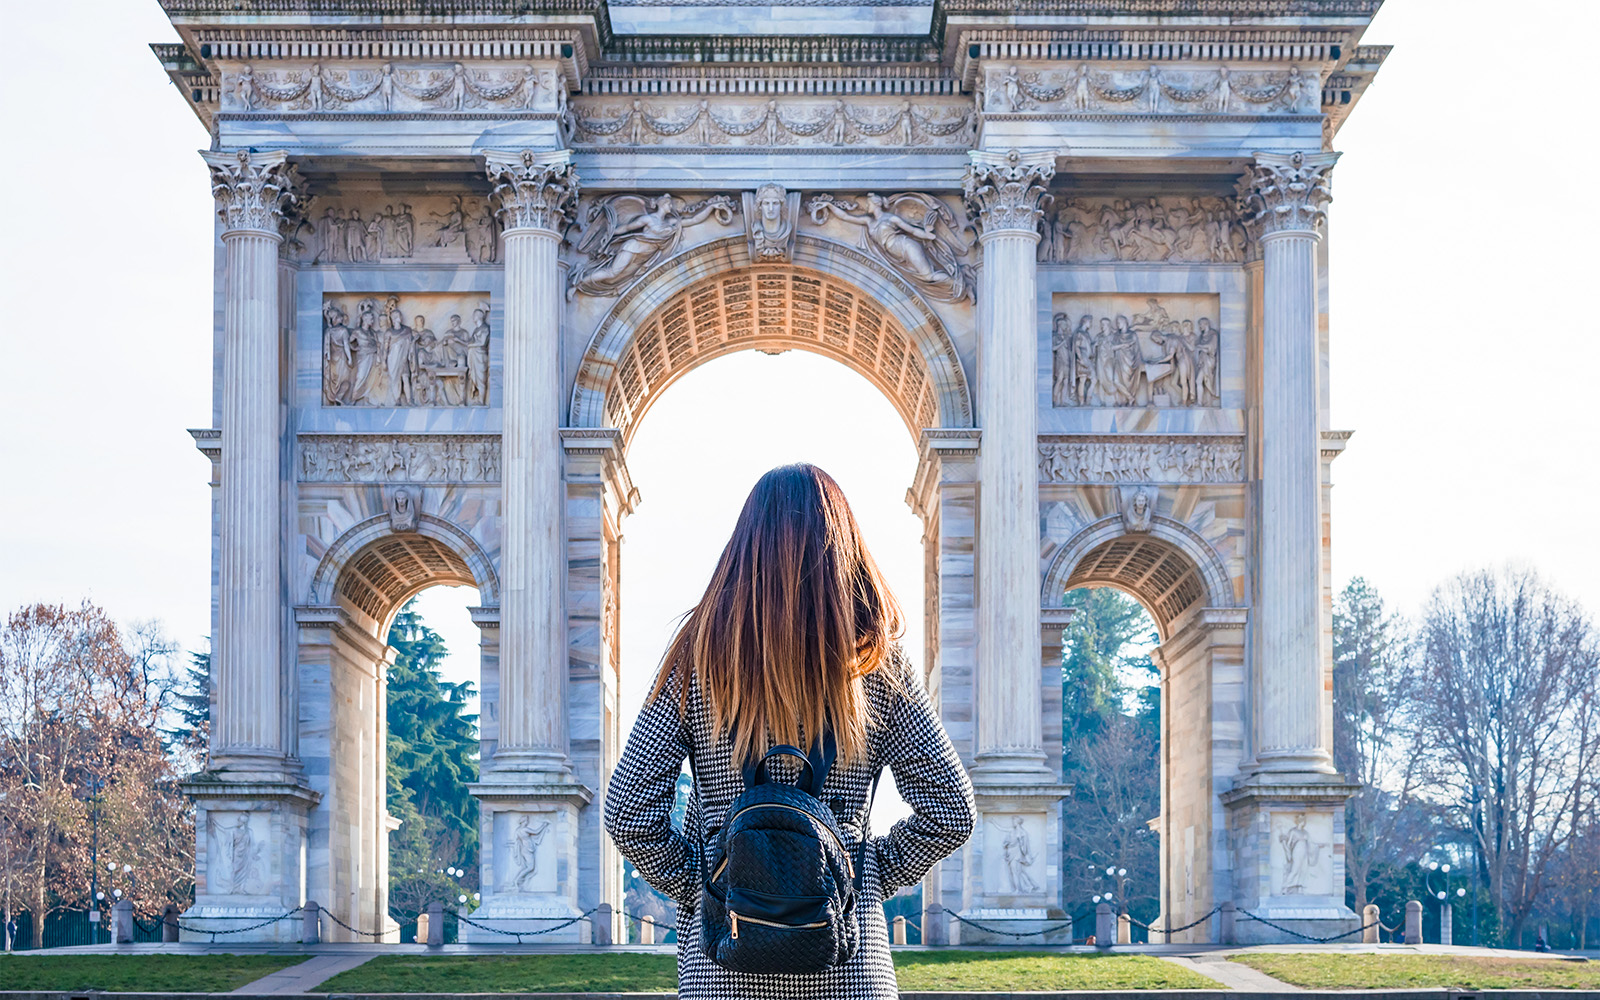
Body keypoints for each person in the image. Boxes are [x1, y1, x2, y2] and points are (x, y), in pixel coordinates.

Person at [605, 464, 974, 999]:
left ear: (743, 546)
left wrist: (707, 882)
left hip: (723, 969)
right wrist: (860, 878)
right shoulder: (877, 662)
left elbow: (628, 813)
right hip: (848, 967)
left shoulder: (696, 657)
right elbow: (951, 811)